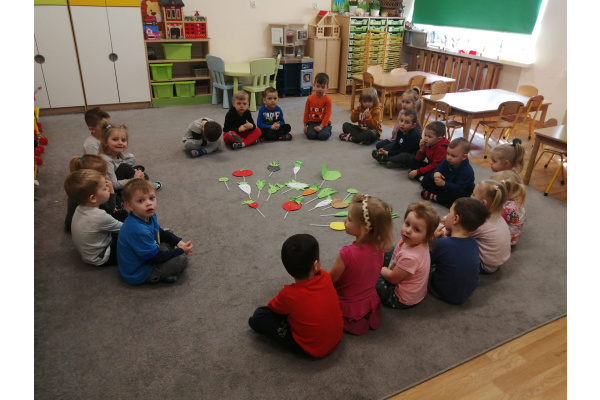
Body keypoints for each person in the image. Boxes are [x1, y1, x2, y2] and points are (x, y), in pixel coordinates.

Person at [248, 234, 343, 358]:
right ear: (316, 265)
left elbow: (272, 308)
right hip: (337, 336)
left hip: (312, 350)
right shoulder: (325, 276)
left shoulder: (288, 294)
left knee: (260, 315)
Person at [329, 194, 394, 335]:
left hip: (347, 300)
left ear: (365, 229)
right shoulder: (380, 247)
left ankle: (352, 320)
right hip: (368, 297)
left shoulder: (347, 254)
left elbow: (330, 280)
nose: (344, 220)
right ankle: (367, 314)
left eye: (349, 219)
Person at [117, 179, 193, 285]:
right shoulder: (137, 230)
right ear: (130, 206)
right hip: (140, 272)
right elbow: (154, 258)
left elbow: (159, 232)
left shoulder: (149, 215)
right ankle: (160, 275)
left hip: (147, 255)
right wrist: (181, 250)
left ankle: (165, 259)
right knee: (181, 260)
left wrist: (178, 241)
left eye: (151, 198)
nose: (149, 203)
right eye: (141, 201)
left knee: (168, 233)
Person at [376, 202, 439, 309]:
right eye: (407, 224)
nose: (408, 231)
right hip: (405, 273)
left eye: (416, 229)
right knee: (388, 249)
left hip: (400, 297)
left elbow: (392, 279)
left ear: (427, 236)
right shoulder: (414, 240)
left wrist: (381, 270)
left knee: (371, 275)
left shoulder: (411, 257)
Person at [428, 198, 489, 305]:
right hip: (466, 293)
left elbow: (426, 259)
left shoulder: (441, 244)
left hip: (443, 292)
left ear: (456, 219)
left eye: (449, 212)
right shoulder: (474, 243)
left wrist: (432, 239)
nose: (446, 215)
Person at [64, 169, 122, 266]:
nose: (108, 189)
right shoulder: (100, 216)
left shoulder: (79, 208)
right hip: (101, 257)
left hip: (89, 254)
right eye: (104, 189)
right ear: (93, 198)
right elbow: (126, 228)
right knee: (134, 239)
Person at [64, 155, 128, 232]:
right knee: (122, 213)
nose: (107, 177)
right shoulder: (94, 196)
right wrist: (111, 190)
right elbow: (111, 208)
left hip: (73, 223)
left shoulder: (78, 188)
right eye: (103, 175)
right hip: (86, 226)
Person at [99, 123, 161, 192]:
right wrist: (134, 179)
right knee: (125, 168)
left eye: (123, 140)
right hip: (112, 189)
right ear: (105, 142)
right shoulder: (106, 160)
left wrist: (135, 174)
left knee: (143, 175)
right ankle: (146, 187)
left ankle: (141, 181)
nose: (120, 143)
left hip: (118, 176)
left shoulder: (118, 153)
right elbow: (113, 184)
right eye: (115, 139)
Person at [470, 179, 511, 274]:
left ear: (483, 203)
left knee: (456, 243)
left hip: (485, 265)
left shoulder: (481, 222)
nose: (470, 196)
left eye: (473, 194)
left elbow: (460, 232)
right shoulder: (497, 216)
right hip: (497, 261)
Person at [420, 137, 475, 208]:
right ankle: (444, 200)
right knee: (427, 179)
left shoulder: (467, 171)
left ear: (464, 157)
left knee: (461, 196)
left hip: (458, 188)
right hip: (445, 184)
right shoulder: (446, 161)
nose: (449, 157)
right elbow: (438, 169)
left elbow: (459, 187)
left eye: (453, 156)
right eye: (448, 154)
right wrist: (436, 173)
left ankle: (435, 197)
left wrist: (444, 184)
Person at [490, 170, 527, 247]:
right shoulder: (517, 196)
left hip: (507, 238)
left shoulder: (506, 209)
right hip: (515, 232)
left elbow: (493, 219)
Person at [303, 72, 333, 141]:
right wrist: (305, 125)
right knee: (310, 135)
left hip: (323, 123)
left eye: (323, 87)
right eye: (318, 86)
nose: (320, 89)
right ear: (314, 85)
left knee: (323, 136)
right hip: (312, 122)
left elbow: (328, 114)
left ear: (327, 87)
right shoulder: (310, 98)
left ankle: (329, 128)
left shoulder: (328, 99)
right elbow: (306, 112)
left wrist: (321, 126)